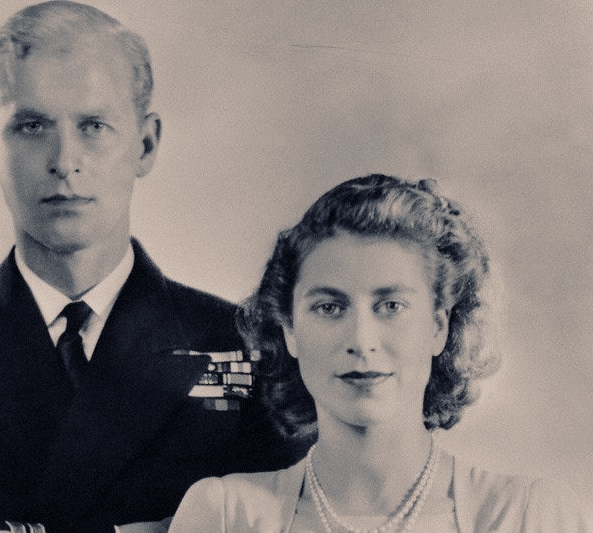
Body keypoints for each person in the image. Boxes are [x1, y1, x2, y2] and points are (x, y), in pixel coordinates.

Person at [0, 3, 302, 532]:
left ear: (145, 144)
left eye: (94, 125)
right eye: (31, 126)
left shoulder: (246, 344)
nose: (64, 159)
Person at [168, 174, 590, 532]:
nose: (361, 339)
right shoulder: (226, 516)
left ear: (438, 327)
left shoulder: (526, 516)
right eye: (329, 307)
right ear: (291, 331)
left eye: (391, 306)